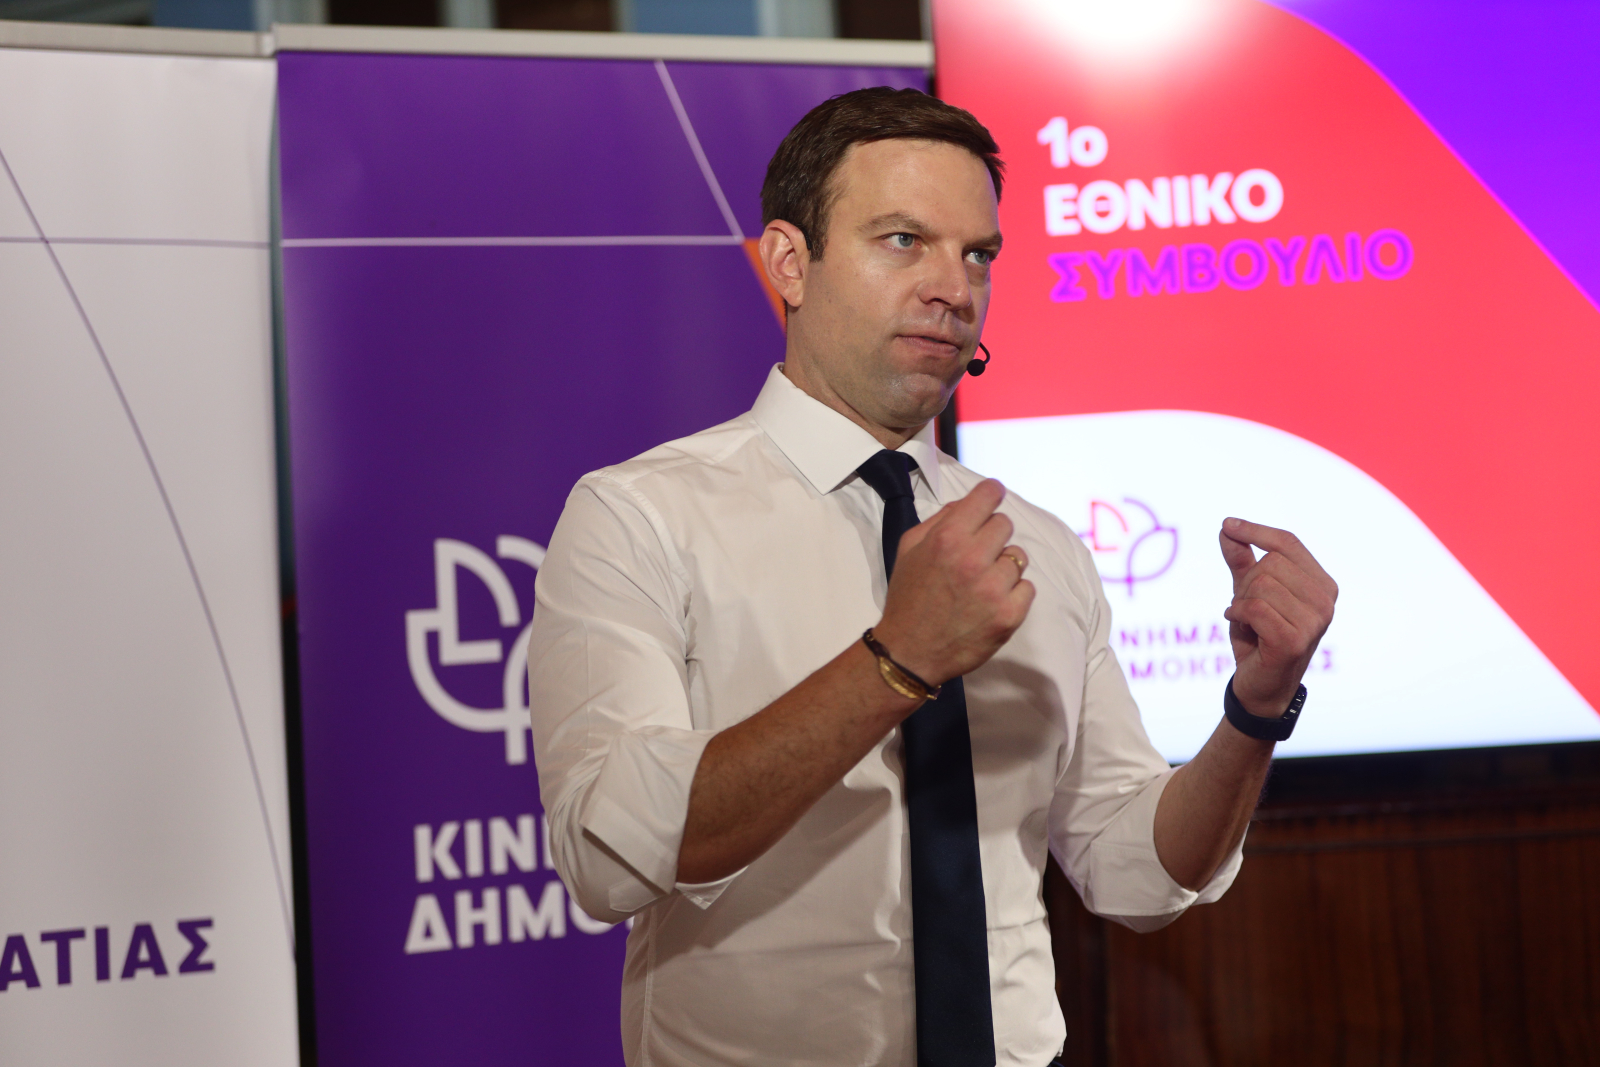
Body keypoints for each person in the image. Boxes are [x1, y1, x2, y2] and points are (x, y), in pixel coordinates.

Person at [527, 87, 1337, 1067]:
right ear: (789, 262)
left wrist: (1255, 710)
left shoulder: (1037, 546)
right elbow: (608, 852)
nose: (954, 287)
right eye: (903, 240)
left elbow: (1133, 868)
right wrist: (895, 660)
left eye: (978, 254)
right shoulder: (640, 516)